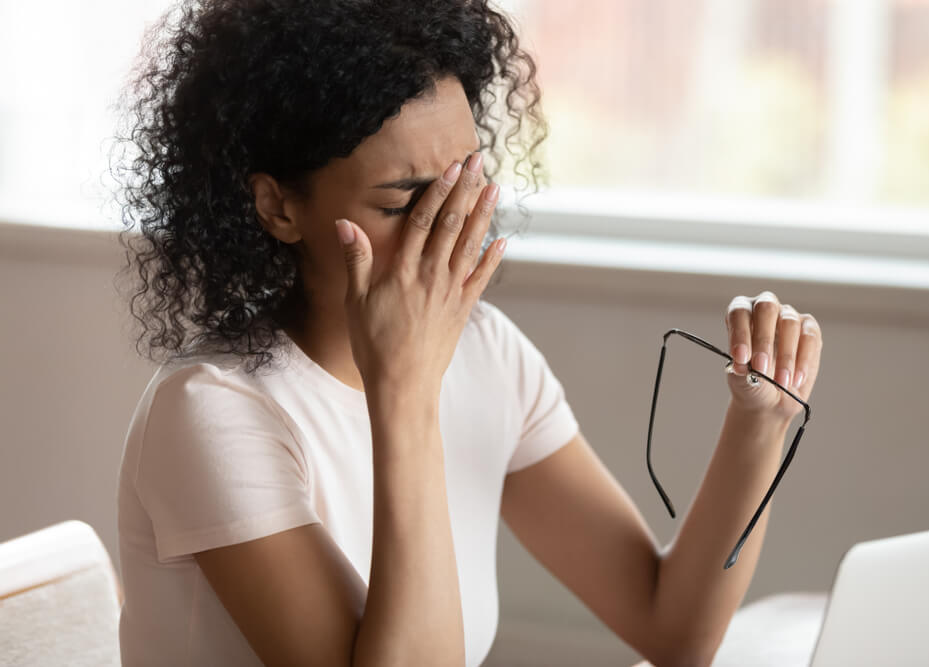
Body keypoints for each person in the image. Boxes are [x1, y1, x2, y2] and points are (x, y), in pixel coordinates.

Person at [113, 1, 824, 666]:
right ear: (277, 207)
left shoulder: (486, 352)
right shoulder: (211, 411)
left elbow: (672, 625)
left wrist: (761, 421)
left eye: (467, 182)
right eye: (407, 202)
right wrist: (407, 386)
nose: (458, 223)